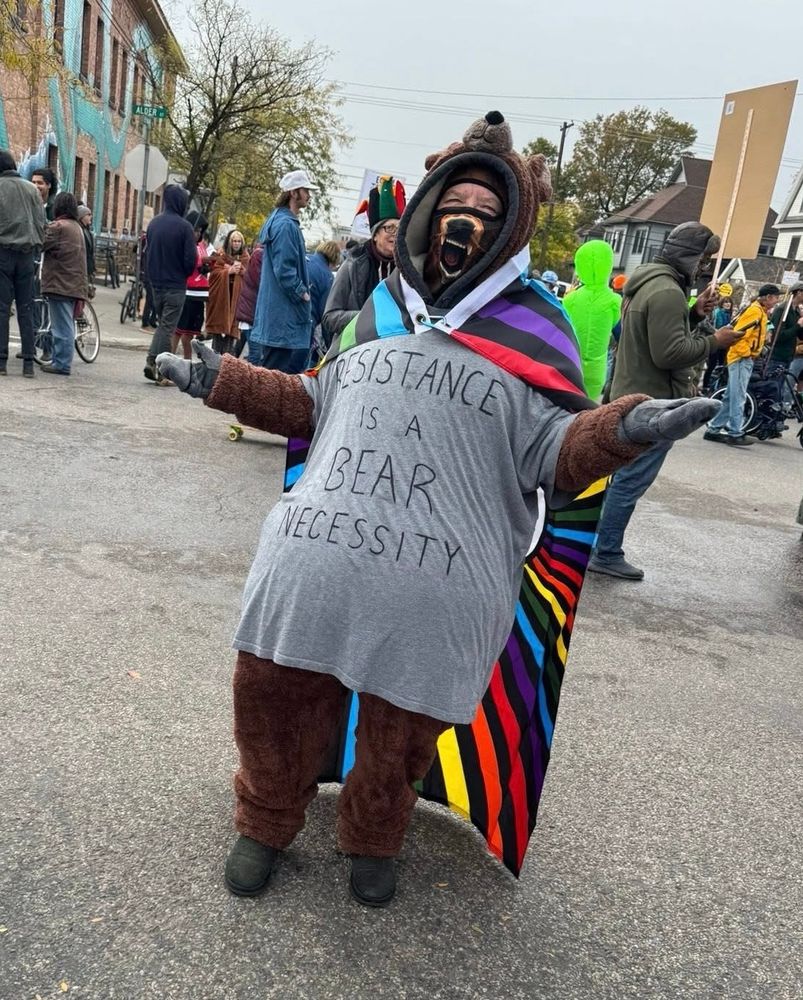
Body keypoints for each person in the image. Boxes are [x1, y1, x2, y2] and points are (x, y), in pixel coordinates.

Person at [156, 112, 719, 907]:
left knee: (401, 732)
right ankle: (266, 817)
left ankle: (373, 834)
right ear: (424, 211)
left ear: (511, 229)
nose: (464, 223)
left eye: (486, 213)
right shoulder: (378, 310)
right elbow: (313, 401)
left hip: (437, 591)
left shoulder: (539, 326)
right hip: (313, 563)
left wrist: (622, 428)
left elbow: (554, 451)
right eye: (453, 206)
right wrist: (222, 380)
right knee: (272, 695)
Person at [587, 221, 742, 580]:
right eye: (704, 259)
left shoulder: (647, 282)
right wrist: (715, 341)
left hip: (629, 392)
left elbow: (650, 337)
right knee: (630, 481)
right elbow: (669, 353)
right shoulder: (668, 291)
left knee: (619, 478)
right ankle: (606, 552)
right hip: (653, 402)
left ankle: (598, 546)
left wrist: (694, 315)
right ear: (690, 256)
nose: (704, 267)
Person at [321, 177, 406, 343]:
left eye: (399, 229)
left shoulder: (407, 269)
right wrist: (370, 318)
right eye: (389, 228)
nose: (395, 234)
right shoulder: (352, 264)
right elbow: (330, 318)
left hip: (392, 350)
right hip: (354, 348)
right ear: (375, 235)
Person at [249, 169, 317, 374]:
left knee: (271, 374)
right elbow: (285, 270)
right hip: (282, 316)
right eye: (305, 190)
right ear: (293, 193)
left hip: (278, 316)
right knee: (273, 377)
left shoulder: (281, 221)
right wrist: (302, 293)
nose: (309, 195)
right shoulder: (286, 225)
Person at [703, 284, 781, 446]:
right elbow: (739, 334)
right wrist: (748, 354)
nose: (776, 301)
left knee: (731, 395)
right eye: (775, 298)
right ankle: (735, 432)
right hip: (741, 358)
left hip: (741, 357)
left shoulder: (758, 310)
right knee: (738, 396)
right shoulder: (755, 311)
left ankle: (714, 429)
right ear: (768, 297)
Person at [143, 184, 197, 382]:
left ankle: (151, 360)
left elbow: (148, 253)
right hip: (175, 284)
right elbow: (190, 260)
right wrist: (183, 273)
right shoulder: (185, 227)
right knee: (167, 327)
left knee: (162, 325)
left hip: (156, 283)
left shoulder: (154, 224)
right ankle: (164, 371)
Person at [0, 149, 45, 378]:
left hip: (3, 252)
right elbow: (40, 223)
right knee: (26, 308)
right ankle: (28, 362)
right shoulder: (31, 189)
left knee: (2, 308)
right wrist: (36, 245)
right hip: (27, 255)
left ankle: (1, 361)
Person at [562, 240, 621, 399]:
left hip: (570, 362)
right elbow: (620, 334)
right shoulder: (614, 301)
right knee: (589, 405)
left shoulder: (570, 299)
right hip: (596, 369)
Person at [39, 192, 88, 376]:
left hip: (59, 283)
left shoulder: (58, 226)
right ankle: (60, 361)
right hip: (74, 283)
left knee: (61, 327)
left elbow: (40, 243)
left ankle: (61, 364)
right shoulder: (77, 227)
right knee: (66, 324)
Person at [172, 211, 211, 360]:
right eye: (196, 230)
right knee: (178, 331)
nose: (198, 233)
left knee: (189, 334)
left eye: (200, 231)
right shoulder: (183, 244)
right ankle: (168, 362)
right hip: (187, 292)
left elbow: (202, 262)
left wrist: (208, 266)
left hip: (199, 294)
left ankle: (187, 364)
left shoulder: (201, 245)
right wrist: (202, 263)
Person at [206, 229, 250, 356]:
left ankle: (227, 360)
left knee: (231, 336)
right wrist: (228, 271)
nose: (236, 244)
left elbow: (250, 276)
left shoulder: (246, 258)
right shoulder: (222, 255)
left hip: (236, 298)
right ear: (230, 242)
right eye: (234, 241)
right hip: (222, 297)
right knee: (217, 334)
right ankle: (214, 358)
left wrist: (241, 270)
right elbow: (214, 274)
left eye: (239, 241)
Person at [305, 240, 340, 360]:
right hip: (306, 325)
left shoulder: (305, 260)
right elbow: (325, 314)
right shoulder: (327, 276)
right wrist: (330, 347)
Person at [233, 242, 263, 364]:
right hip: (251, 312)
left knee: (240, 350)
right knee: (256, 354)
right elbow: (259, 282)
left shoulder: (260, 254)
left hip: (251, 312)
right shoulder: (259, 255)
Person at [77, 205, 96, 282]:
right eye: (88, 214)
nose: (91, 216)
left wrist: (93, 268)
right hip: (81, 267)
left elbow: (91, 252)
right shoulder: (78, 230)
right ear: (82, 216)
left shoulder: (88, 231)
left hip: (88, 267)